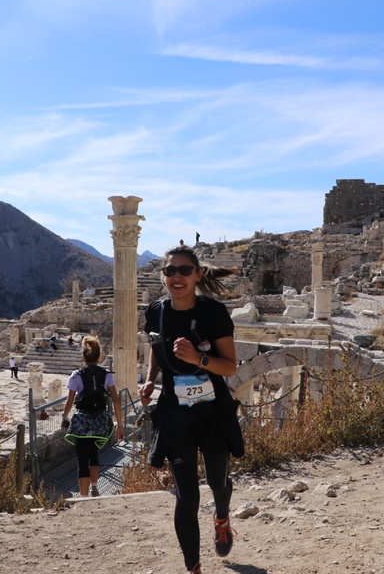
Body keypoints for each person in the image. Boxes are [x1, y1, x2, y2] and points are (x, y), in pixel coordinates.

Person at [139, 245, 244, 574]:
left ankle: (222, 518)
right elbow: (157, 347)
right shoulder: (155, 312)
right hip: (175, 413)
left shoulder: (213, 313)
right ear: (163, 276)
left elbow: (229, 367)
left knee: (217, 482)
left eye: (185, 271)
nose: (177, 277)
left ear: (198, 275)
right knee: (186, 496)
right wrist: (149, 379)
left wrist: (197, 359)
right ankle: (193, 568)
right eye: (170, 271)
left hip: (213, 412)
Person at [61, 336, 123, 497]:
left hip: (82, 420)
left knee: (82, 458)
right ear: (99, 357)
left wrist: (65, 417)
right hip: (101, 420)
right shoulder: (106, 375)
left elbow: (69, 401)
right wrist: (120, 425)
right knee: (94, 452)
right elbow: (116, 400)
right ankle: (95, 487)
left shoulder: (76, 375)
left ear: (83, 357)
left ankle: (83, 496)